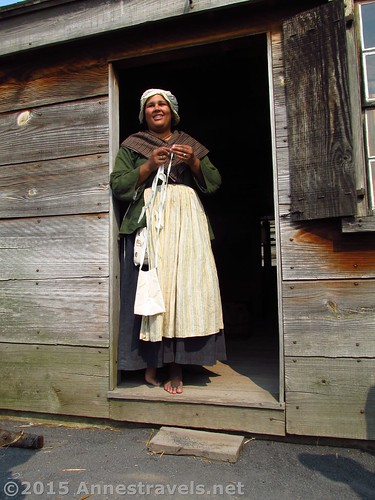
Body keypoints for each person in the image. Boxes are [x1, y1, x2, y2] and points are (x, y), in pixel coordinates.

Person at [110, 88, 226, 394]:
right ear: (144, 113)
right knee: (151, 290)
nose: (157, 108)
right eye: (151, 105)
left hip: (185, 223)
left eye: (162, 104)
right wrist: (148, 165)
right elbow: (119, 186)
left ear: (172, 111)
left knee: (183, 291)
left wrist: (194, 164)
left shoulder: (189, 145)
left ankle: (177, 367)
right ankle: (150, 362)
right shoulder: (133, 146)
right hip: (151, 221)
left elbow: (214, 184)